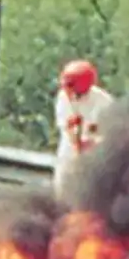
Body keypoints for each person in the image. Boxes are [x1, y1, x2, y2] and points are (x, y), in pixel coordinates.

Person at [52, 58, 115, 198]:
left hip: (94, 158)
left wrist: (93, 142)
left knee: (89, 196)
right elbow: (67, 127)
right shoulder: (63, 98)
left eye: (70, 84)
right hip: (69, 154)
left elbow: (111, 133)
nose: (66, 89)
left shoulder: (104, 102)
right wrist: (77, 141)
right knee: (62, 191)